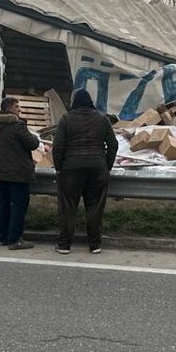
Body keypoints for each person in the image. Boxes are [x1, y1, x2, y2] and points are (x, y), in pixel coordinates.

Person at [52, 88, 117, 255]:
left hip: (71, 168)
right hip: (97, 168)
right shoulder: (102, 119)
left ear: (74, 102)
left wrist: (59, 167)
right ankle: (95, 244)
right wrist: (106, 165)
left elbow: (58, 146)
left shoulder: (66, 119)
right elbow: (113, 144)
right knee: (95, 207)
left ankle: (64, 244)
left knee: (68, 207)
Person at [0, 97, 40, 250]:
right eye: (17, 107)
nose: (19, 110)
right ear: (9, 108)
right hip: (17, 172)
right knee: (19, 205)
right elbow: (33, 143)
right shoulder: (17, 125)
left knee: (3, 205)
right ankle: (15, 239)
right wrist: (33, 134)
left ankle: (4, 237)